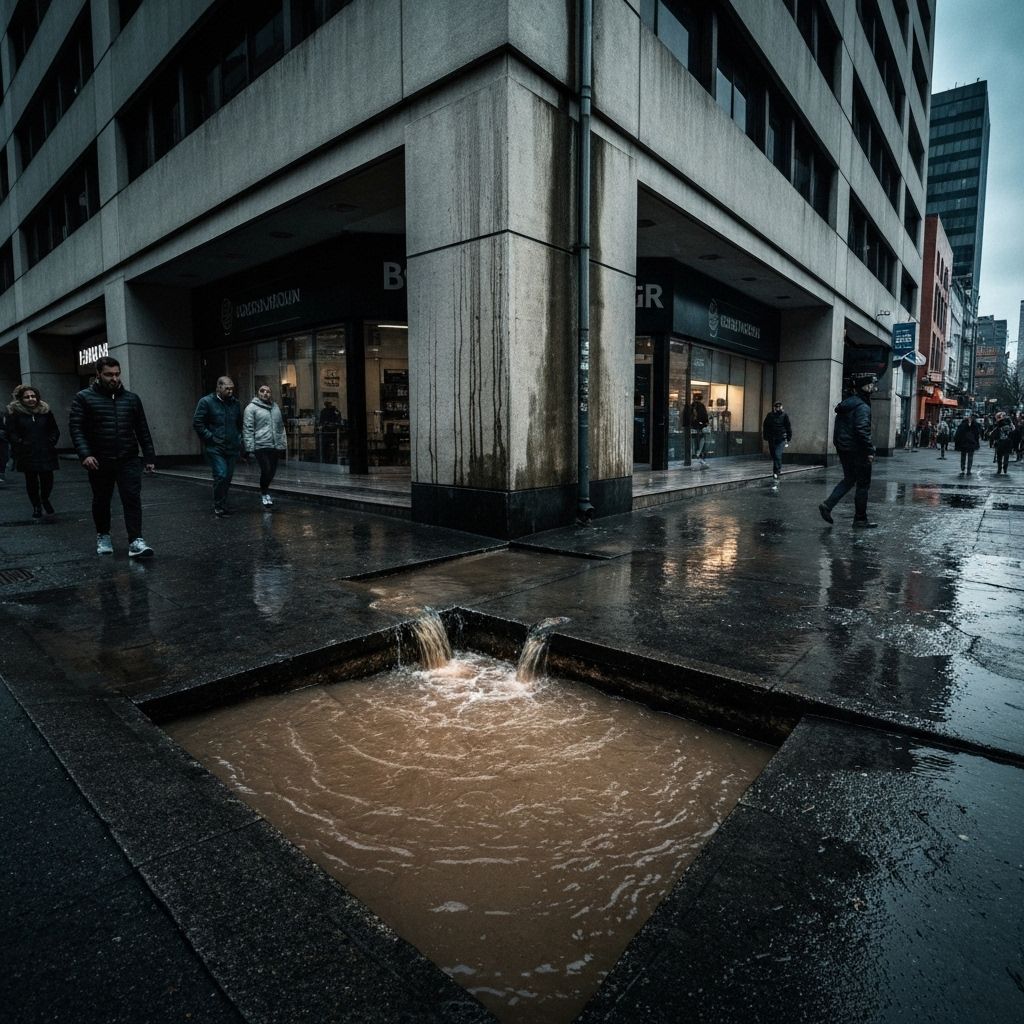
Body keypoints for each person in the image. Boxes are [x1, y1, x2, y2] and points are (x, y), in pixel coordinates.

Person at [69, 356, 156, 557]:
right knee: (102, 500)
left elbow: (142, 429)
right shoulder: (84, 398)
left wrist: (149, 456)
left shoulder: (132, 399)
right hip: (99, 460)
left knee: (132, 498)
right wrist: (85, 454)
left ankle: (136, 541)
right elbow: (76, 428)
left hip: (128, 458)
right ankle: (103, 535)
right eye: (109, 374)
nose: (114, 378)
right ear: (98, 374)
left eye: (117, 374)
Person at [817, 371, 877, 528]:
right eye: (871, 385)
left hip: (845, 450)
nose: (873, 387)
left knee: (850, 479)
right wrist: (869, 451)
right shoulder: (862, 406)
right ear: (865, 386)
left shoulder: (848, 404)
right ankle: (860, 519)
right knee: (863, 484)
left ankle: (827, 505)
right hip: (858, 451)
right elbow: (862, 430)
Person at [6, 384, 60, 519]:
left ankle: (45, 498)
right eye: (27, 397)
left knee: (48, 479)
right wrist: (20, 443)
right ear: (21, 399)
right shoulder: (15, 414)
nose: (31, 399)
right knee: (31, 481)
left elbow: (54, 429)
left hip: (46, 450)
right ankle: (36, 506)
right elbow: (11, 432)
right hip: (27, 452)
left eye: (33, 396)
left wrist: (51, 440)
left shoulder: (45, 411)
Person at [193, 376, 243, 516]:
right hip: (215, 447)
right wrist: (210, 437)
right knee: (221, 474)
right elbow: (197, 422)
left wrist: (239, 438)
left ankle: (222, 503)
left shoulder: (235, 403)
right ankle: (218, 506)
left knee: (227, 478)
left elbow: (239, 423)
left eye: (232, 389)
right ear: (218, 388)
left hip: (231, 447)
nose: (230, 391)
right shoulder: (206, 402)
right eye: (227, 389)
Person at [243, 384, 287, 507]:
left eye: (268, 391)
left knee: (272, 472)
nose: (265, 393)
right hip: (260, 445)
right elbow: (248, 428)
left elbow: (280, 427)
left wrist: (282, 443)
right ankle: (264, 493)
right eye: (262, 391)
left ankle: (265, 490)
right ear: (258, 393)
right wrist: (249, 448)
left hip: (274, 445)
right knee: (266, 469)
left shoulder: (275, 407)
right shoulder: (251, 408)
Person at [762, 400, 793, 484]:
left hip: (781, 439)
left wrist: (789, 437)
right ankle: (777, 469)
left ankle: (776, 472)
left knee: (777, 454)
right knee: (773, 455)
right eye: (776, 406)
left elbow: (788, 426)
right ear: (774, 407)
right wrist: (765, 436)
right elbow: (765, 425)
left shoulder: (784, 415)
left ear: (782, 407)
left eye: (779, 406)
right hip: (772, 439)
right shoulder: (770, 415)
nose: (778, 408)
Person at [987, 411, 1019, 476]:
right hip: (1008, 442)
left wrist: (992, 438)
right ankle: (1005, 468)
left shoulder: (999, 425)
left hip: (1001, 442)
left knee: (999, 457)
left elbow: (993, 434)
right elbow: (1014, 431)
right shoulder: (1010, 424)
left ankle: (999, 469)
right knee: (1006, 456)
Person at [952, 411, 982, 477]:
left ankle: (963, 468)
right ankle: (968, 469)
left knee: (964, 456)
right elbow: (977, 434)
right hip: (971, 443)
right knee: (969, 457)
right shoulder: (975, 425)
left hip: (964, 443)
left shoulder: (962, 425)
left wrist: (957, 442)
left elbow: (958, 434)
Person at [688, 392, 709, 469]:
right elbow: (704, 416)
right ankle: (699, 452)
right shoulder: (701, 406)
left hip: (693, 426)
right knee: (702, 438)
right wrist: (705, 423)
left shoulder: (692, 405)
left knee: (694, 439)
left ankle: (694, 452)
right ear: (701, 399)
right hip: (700, 426)